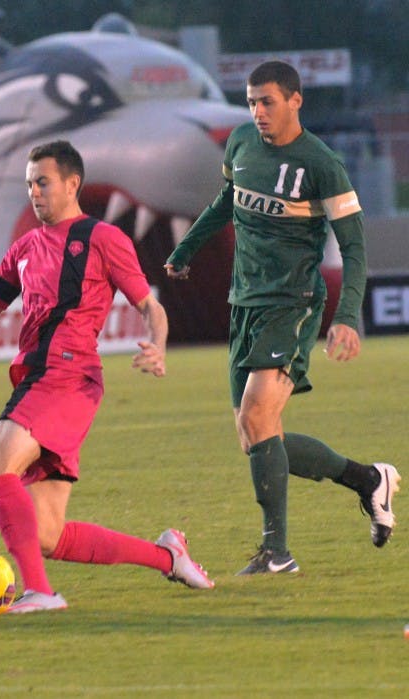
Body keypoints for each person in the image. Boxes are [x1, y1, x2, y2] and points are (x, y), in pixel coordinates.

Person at [0, 140, 214, 614]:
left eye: (43, 182)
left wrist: (157, 344)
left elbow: (150, 305)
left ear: (73, 183)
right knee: (48, 535)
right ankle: (166, 555)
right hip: (40, 378)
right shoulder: (26, 247)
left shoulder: (103, 238)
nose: (34, 191)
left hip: (67, 376)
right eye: (30, 183)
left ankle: (40, 592)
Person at [165, 60, 399, 575]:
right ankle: (368, 480)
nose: (257, 111)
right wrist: (186, 250)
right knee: (257, 436)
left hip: (291, 304)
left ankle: (277, 552)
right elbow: (227, 200)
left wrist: (346, 316)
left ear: (296, 100)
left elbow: (354, 249)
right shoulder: (242, 145)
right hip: (243, 303)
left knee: (257, 419)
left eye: (267, 101)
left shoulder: (321, 164)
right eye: (251, 102)